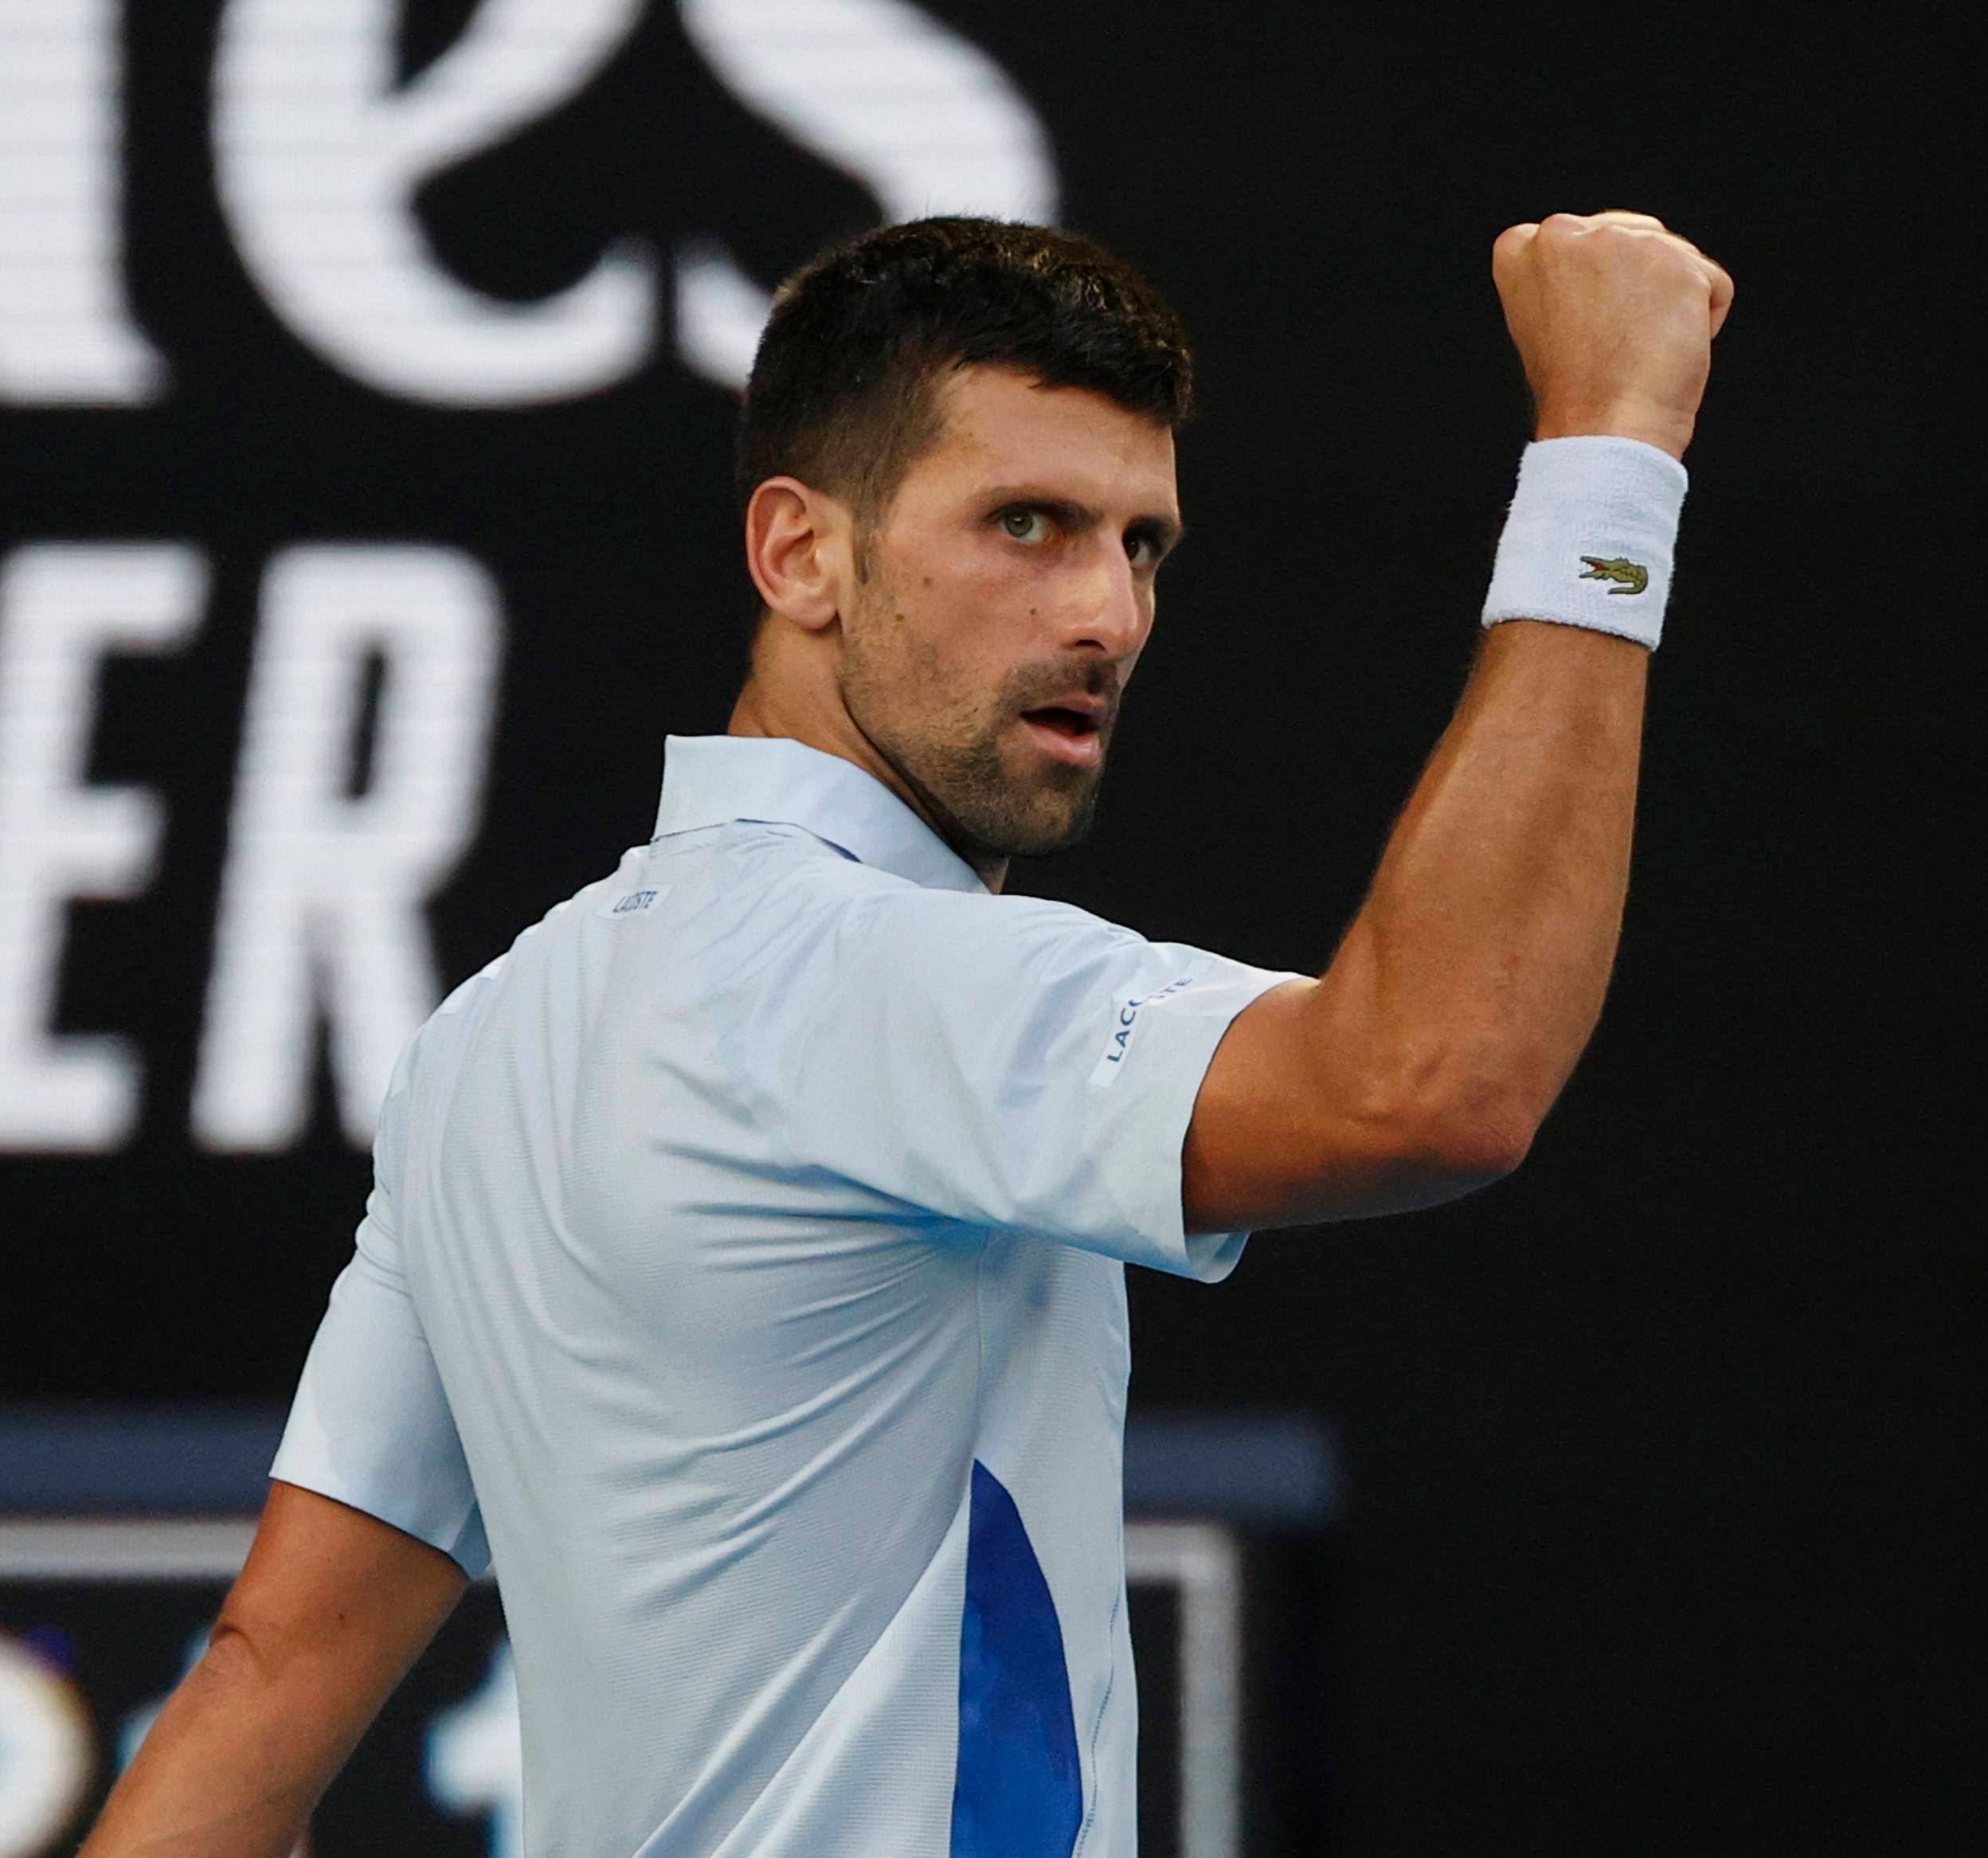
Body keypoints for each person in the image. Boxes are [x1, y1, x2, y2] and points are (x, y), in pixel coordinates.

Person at [81, 208, 1733, 1857]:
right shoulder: (874, 975)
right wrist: (1609, 451)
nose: (1105, 615)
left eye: (1139, 544)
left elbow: (262, 1682)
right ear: (800, 553)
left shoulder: (486, 1041)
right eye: (1025, 524)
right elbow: (1431, 1082)